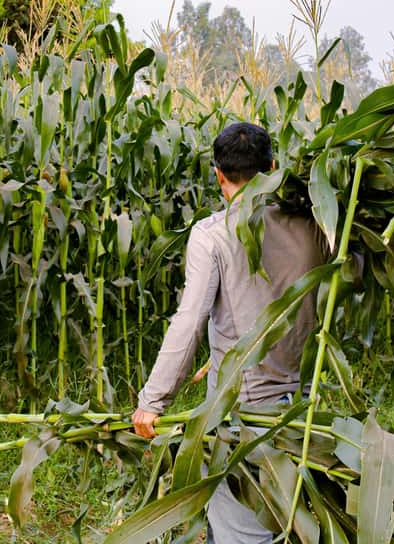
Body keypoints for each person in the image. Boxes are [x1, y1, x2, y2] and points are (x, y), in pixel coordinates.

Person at [131, 122, 332, 543]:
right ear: (273, 168)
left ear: (218, 174)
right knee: (283, 520)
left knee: (242, 531)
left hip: (238, 415)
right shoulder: (316, 225)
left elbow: (188, 322)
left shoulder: (212, 236)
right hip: (300, 411)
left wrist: (153, 399)